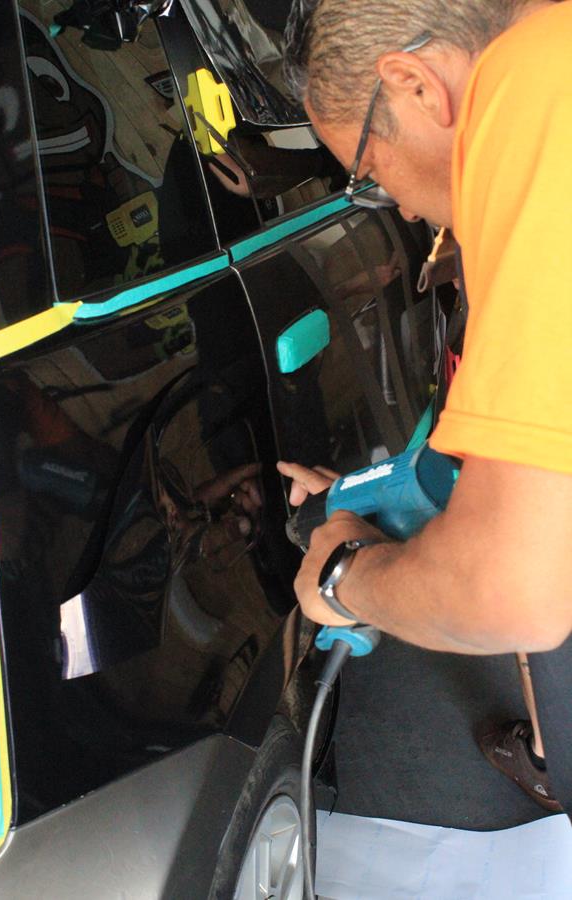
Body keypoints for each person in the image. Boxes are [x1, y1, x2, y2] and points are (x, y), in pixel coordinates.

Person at [278, 0, 572, 816]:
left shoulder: (535, 89)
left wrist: (345, 577)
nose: (401, 208)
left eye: (369, 170)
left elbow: (512, 590)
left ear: (413, 83)